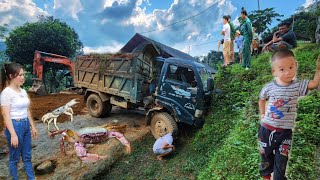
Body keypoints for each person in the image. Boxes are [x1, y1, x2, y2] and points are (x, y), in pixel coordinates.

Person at [258, 49, 320, 180]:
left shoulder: (298, 86)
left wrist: (318, 70)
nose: (287, 72)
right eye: (282, 69)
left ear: (296, 65)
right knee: (265, 158)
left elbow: (314, 84)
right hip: (266, 130)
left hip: (285, 133)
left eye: (291, 67)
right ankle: (266, 177)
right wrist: (262, 114)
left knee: (281, 163)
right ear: (274, 71)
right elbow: (261, 98)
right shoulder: (269, 87)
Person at [0, 63, 38, 180]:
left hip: (25, 124)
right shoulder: (6, 93)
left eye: (23, 75)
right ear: (11, 76)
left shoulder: (23, 91)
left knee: (27, 156)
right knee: (15, 158)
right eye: (20, 75)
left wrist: (32, 126)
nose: (23, 78)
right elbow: (5, 115)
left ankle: (31, 178)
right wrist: (13, 134)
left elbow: (27, 110)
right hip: (14, 126)